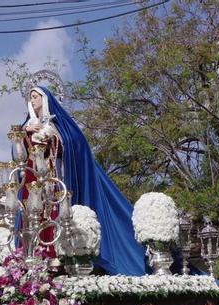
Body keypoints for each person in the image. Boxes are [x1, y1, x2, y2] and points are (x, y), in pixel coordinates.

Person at [22, 87, 146, 275]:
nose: (32, 101)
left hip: (55, 177)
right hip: (33, 183)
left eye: (36, 97)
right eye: (30, 98)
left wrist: (51, 136)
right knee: (33, 218)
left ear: (45, 99)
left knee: (55, 214)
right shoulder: (27, 125)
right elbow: (20, 154)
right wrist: (27, 133)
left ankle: (60, 256)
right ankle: (35, 258)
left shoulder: (56, 124)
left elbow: (74, 143)